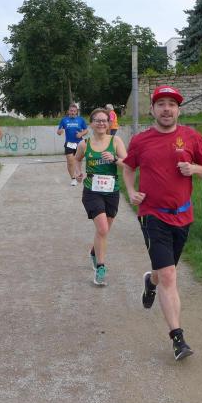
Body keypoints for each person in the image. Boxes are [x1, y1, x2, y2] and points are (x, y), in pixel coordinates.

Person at [122, 86, 202, 361]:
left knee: (163, 273)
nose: (166, 109)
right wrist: (131, 191)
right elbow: (128, 167)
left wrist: (195, 169)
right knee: (169, 276)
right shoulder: (141, 140)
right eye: (161, 104)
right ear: (152, 109)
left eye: (172, 104)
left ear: (178, 110)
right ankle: (178, 338)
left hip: (182, 216)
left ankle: (149, 280)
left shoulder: (192, 137)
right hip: (152, 214)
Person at [73, 108, 128, 286]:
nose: (101, 123)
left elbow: (128, 163)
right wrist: (78, 172)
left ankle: (93, 252)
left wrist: (114, 159)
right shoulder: (84, 144)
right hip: (92, 190)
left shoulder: (115, 141)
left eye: (104, 120)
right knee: (103, 229)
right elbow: (77, 159)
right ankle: (101, 267)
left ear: (109, 123)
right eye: (97, 120)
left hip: (112, 190)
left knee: (104, 230)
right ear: (91, 123)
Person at [57, 103, 88, 186]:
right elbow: (58, 132)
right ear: (68, 111)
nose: (72, 112)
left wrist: (81, 134)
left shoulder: (81, 120)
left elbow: (86, 130)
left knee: (78, 160)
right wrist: (60, 132)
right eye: (71, 111)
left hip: (79, 143)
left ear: (76, 112)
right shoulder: (64, 120)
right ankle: (73, 178)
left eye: (74, 111)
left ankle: (78, 174)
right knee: (70, 161)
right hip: (69, 143)